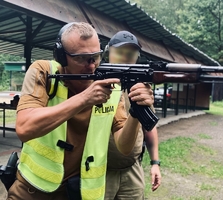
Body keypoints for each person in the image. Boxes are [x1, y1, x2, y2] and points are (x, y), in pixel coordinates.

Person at [6, 22, 154, 200]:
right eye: (81, 58)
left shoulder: (110, 84)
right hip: (31, 189)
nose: (91, 66)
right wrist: (85, 98)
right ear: (62, 56)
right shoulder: (44, 71)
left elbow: (124, 146)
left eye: (95, 57)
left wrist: (136, 113)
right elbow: (24, 128)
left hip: (77, 191)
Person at [103, 31, 161, 200]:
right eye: (120, 52)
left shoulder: (140, 88)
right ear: (108, 53)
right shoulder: (96, 85)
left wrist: (155, 163)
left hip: (132, 170)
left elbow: (149, 126)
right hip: (100, 170)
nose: (125, 57)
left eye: (131, 54)